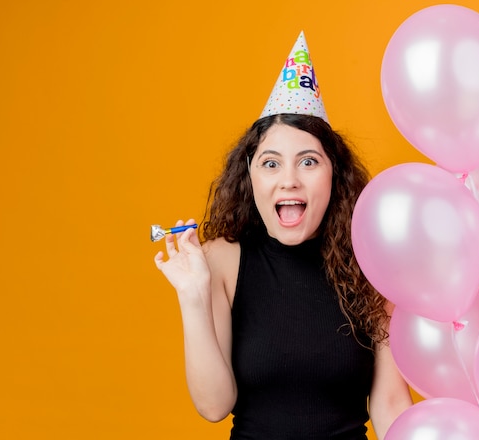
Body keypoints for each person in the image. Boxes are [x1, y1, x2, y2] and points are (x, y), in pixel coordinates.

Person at [154, 31, 412, 440]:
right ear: (250, 176)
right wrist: (192, 295)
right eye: (271, 164)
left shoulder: (372, 265)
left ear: (335, 176)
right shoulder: (220, 261)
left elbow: (390, 404)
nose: (288, 181)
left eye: (308, 161)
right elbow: (213, 406)